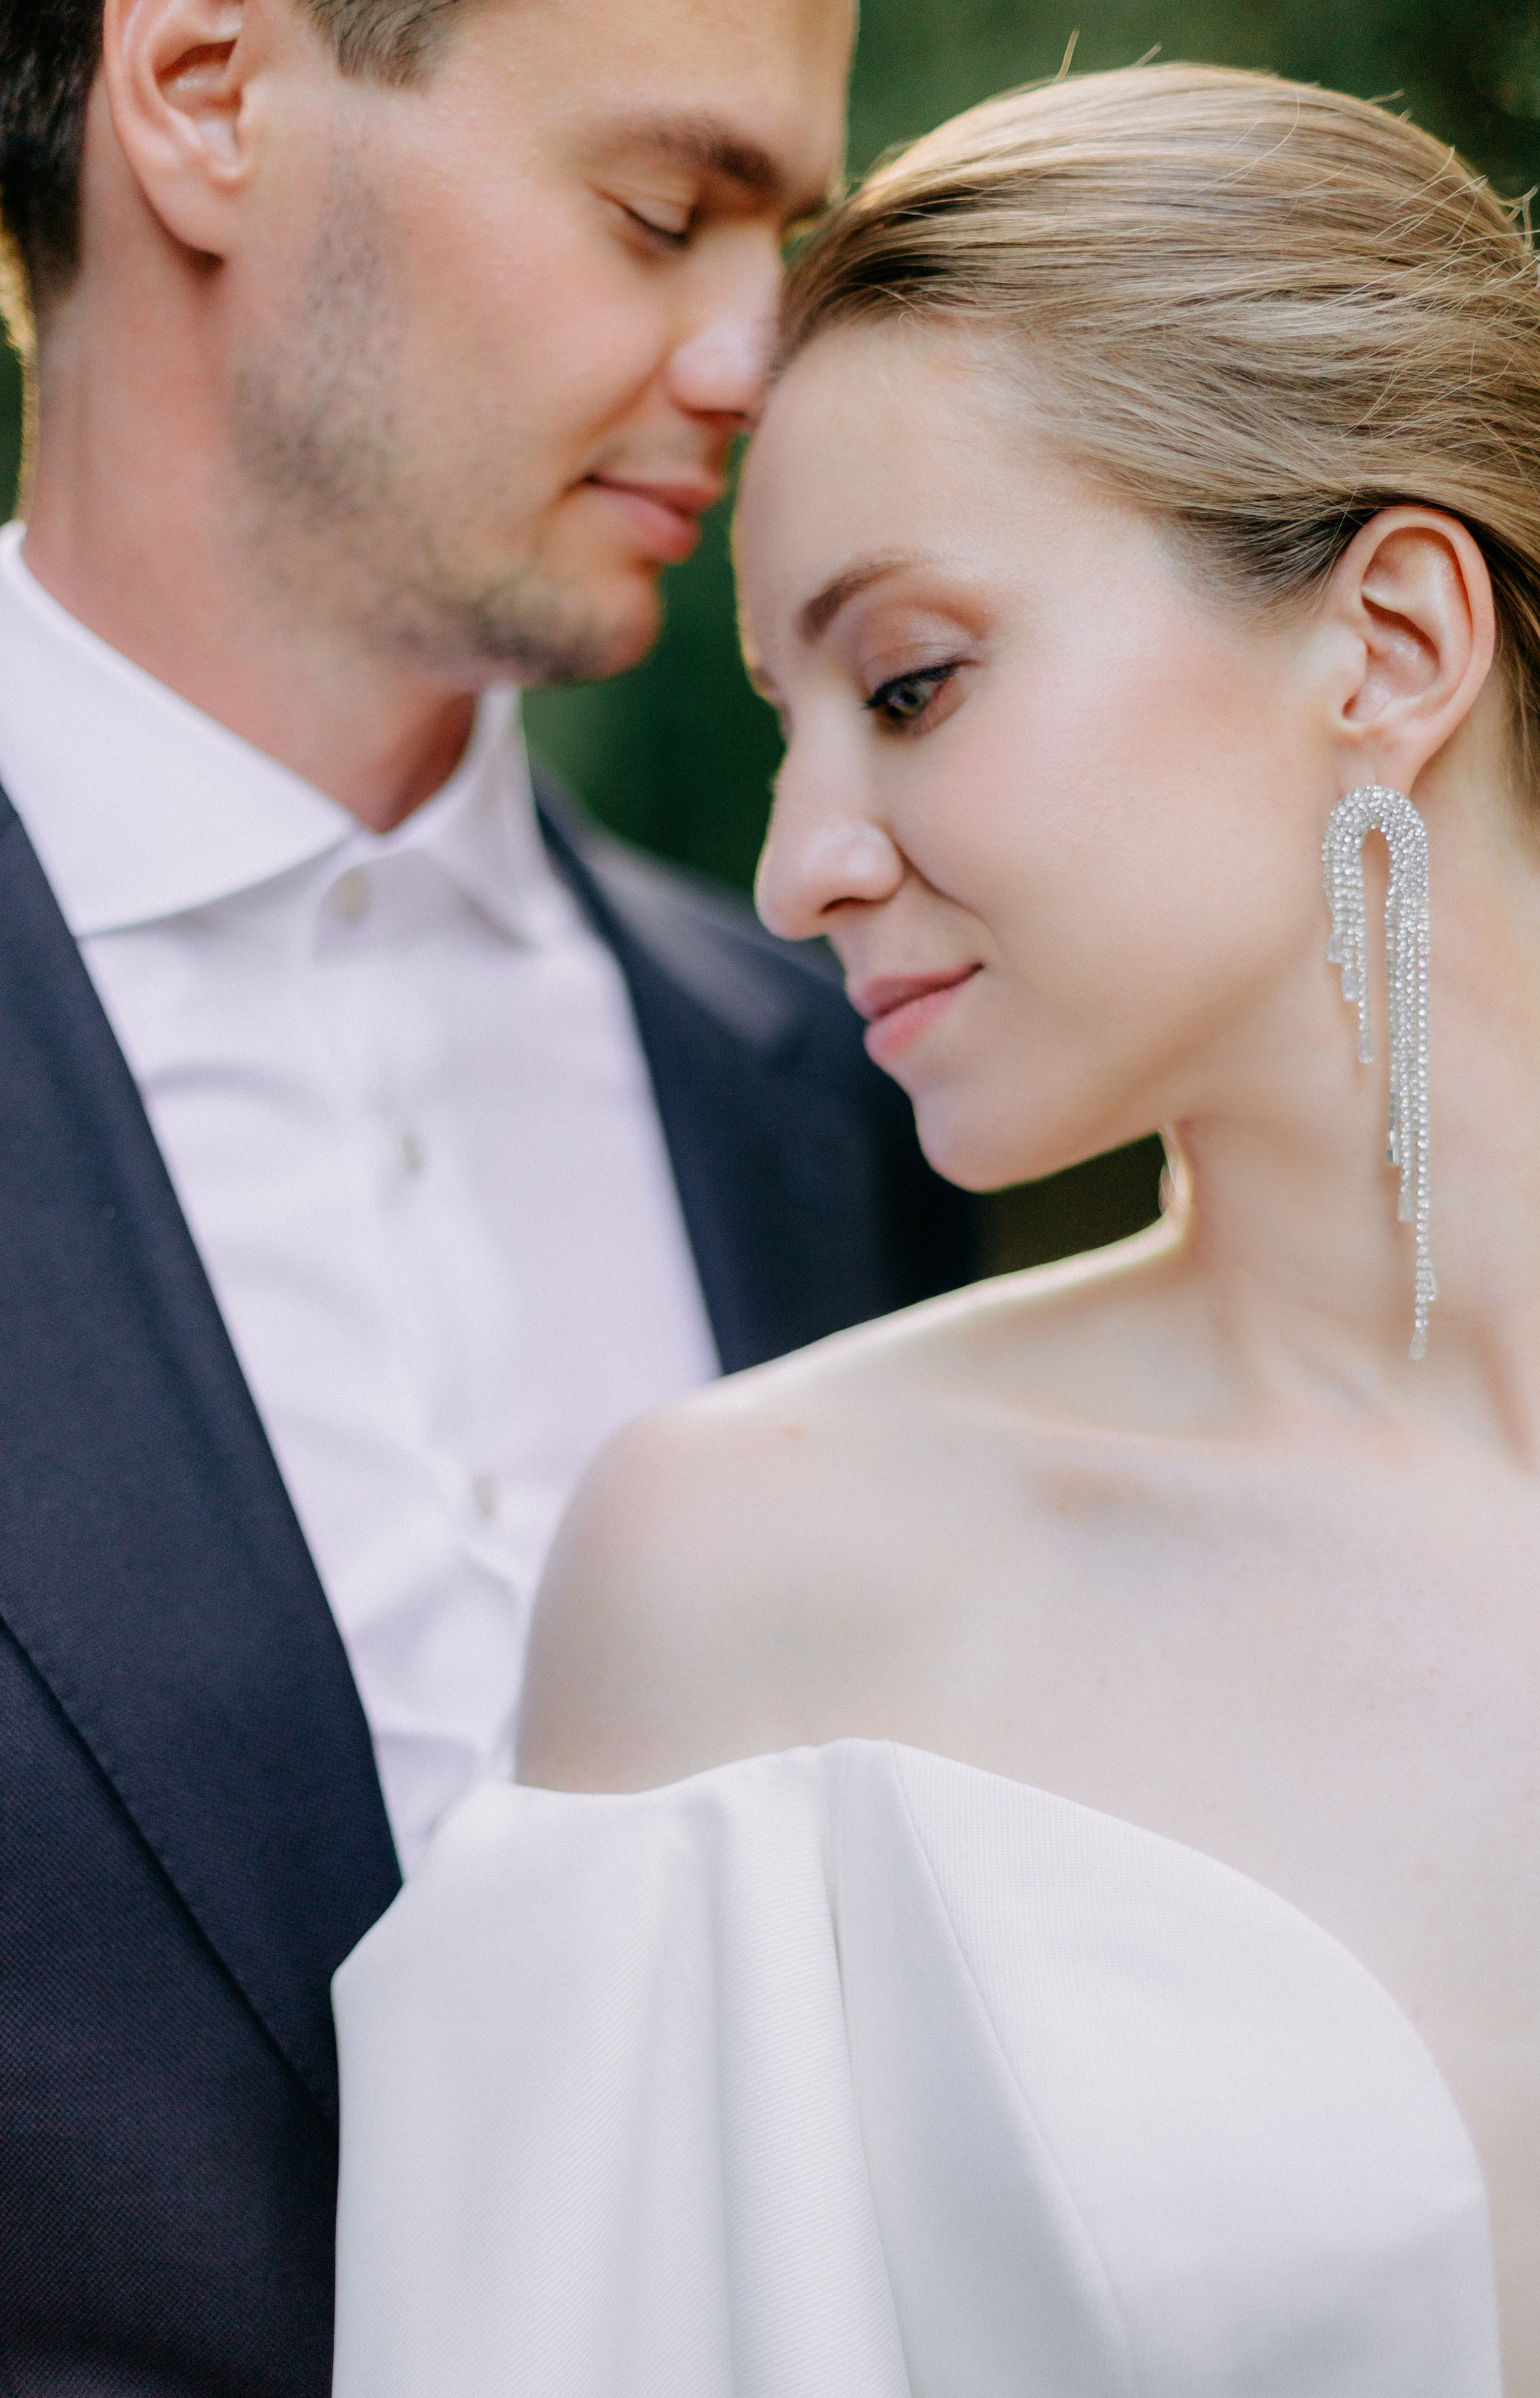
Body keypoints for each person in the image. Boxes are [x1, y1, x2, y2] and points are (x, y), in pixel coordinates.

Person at [330, 62, 1540, 2398]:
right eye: (789, 722)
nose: (797, 868)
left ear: (1395, 643)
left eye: (909, 685)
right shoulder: (746, 1567)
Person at [0, 0, 976, 2387]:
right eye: (659, 211)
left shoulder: (830, 1093)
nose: (752, 357)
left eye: (784, 238)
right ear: (205, 96)